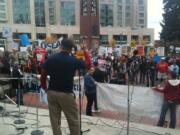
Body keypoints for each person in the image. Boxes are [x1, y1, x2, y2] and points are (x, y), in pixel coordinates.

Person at [40, 39, 91, 135]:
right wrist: (85, 51)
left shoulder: (51, 58)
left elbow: (43, 74)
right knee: (73, 120)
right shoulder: (73, 60)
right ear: (71, 49)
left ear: (60, 46)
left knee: (54, 121)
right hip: (66, 94)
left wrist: (44, 87)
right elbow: (88, 65)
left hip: (52, 93)